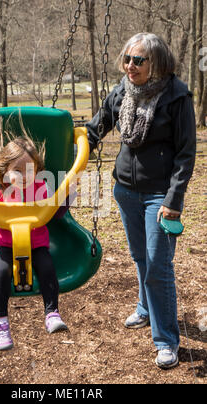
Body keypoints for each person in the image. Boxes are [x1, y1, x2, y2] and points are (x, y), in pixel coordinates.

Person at [86, 33, 196, 369]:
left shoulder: (176, 96)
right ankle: (147, 309)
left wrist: (174, 199)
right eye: (127, 59)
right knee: (139, 257)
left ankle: (166, 342)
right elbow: (96, 127)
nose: (130, 66)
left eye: (138, 60)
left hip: (159, 196)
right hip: (125, 191)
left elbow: (186, 154)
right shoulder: (122, 90)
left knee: (157, 266)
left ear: (157, 63)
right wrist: (67, 150)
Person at [0, 127, 73, 351]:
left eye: (30, 170)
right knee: (0, 274)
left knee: (47, 269)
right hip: (6, 245)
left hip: (38, 244)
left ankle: (52, 312)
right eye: (17, 171)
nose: (24, 176)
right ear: (5, 171)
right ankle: (1, 323)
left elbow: (57, 214)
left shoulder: (43, 189)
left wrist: (68, 194)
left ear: (38, 170)